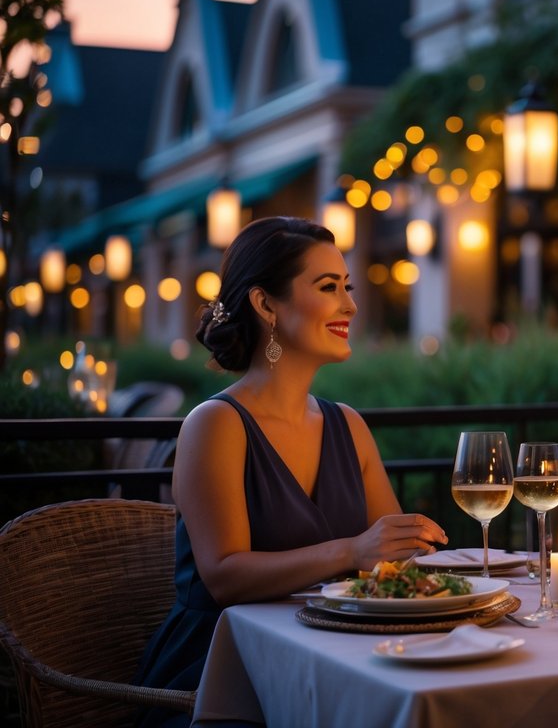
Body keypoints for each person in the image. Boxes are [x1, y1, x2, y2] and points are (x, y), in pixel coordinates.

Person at [134, 217, 447, 726]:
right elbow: (224, 577)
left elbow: (394, 561)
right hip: (218, 680)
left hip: (333, 659)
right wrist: (350, 551)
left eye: (347, 286)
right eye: (328, 287)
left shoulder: (348, 425)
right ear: (265, 305)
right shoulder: (216, 425)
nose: (350, 304)